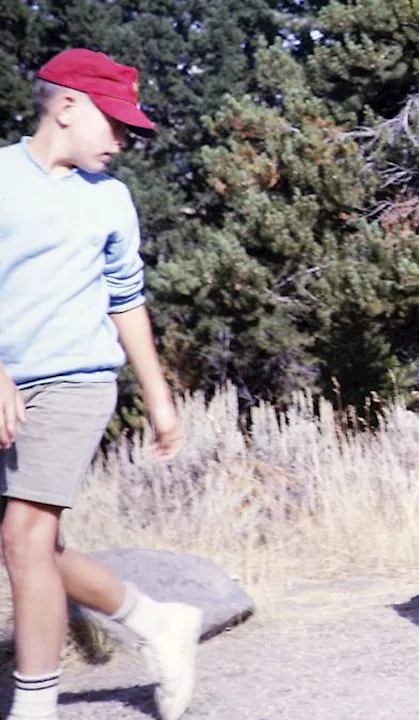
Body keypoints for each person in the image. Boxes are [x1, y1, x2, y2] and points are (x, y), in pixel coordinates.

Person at [0, 48, 203, 720]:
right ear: (65, 107)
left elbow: (126, 302)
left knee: (24, 535)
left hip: (76, 382)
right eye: (113, 124)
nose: (123, 140)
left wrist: (159, 397)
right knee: (37, 547)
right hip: (5, 381)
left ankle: (34, 709)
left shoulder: (111, 201)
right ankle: (156, 620)